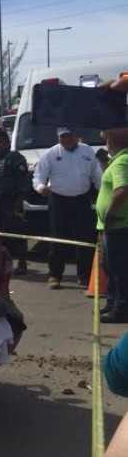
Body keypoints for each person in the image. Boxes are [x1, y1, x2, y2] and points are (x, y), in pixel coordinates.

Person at [32, 127, 103, 289]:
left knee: (85, 239)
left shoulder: (87, 151)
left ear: (76, 136)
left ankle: (84, 276)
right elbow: (38, 176)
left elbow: (97, 175)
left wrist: (104, 192)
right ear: (58, 138)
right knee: (57, 239)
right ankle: (55, 275)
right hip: (59, 201)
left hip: (82, 201)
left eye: (69, 136)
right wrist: (41, 187)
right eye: (63, 137)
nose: (66, 139)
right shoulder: (50, 154)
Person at [0, 130, 31, 276]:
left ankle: (22, 263)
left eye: (0, 142)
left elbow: (24, 180)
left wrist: (19, 200)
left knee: (17, 233)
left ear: (8, 143)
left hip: (10, 201)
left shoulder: (15, 158)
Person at [96, 127, 128, 322]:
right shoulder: (117, 162)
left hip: (118, 225)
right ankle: (112, 303)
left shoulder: (122, 161)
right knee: (109, 266)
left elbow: (122, 189)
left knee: (119, 269)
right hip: (111, 226)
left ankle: (121, 308)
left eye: (107, 140)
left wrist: (109, 213)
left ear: (113, 142)